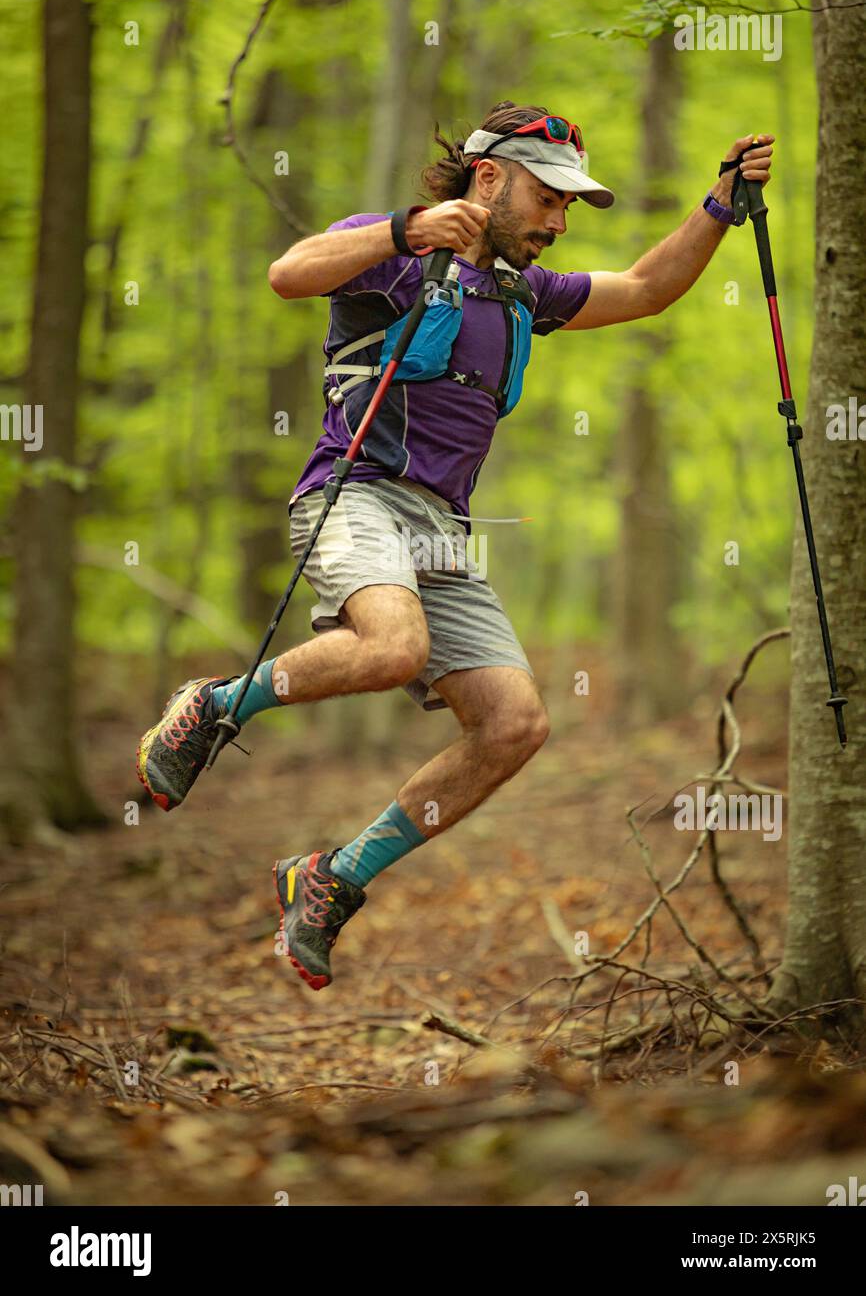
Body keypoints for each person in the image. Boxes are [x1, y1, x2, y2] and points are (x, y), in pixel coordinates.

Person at [137, 100, 774, 991]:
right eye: (548, 200)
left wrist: (717, 208)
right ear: (488, 178)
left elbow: (644, 289)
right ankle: (216, 704)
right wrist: (401, 230)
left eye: (567, 209)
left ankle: (331, 878)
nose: (557, 223)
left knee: (516, 725)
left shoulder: (523, 292)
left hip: (443, 534)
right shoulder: (401, 253)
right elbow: (288, 272)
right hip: (353, 496)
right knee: (395, 647)